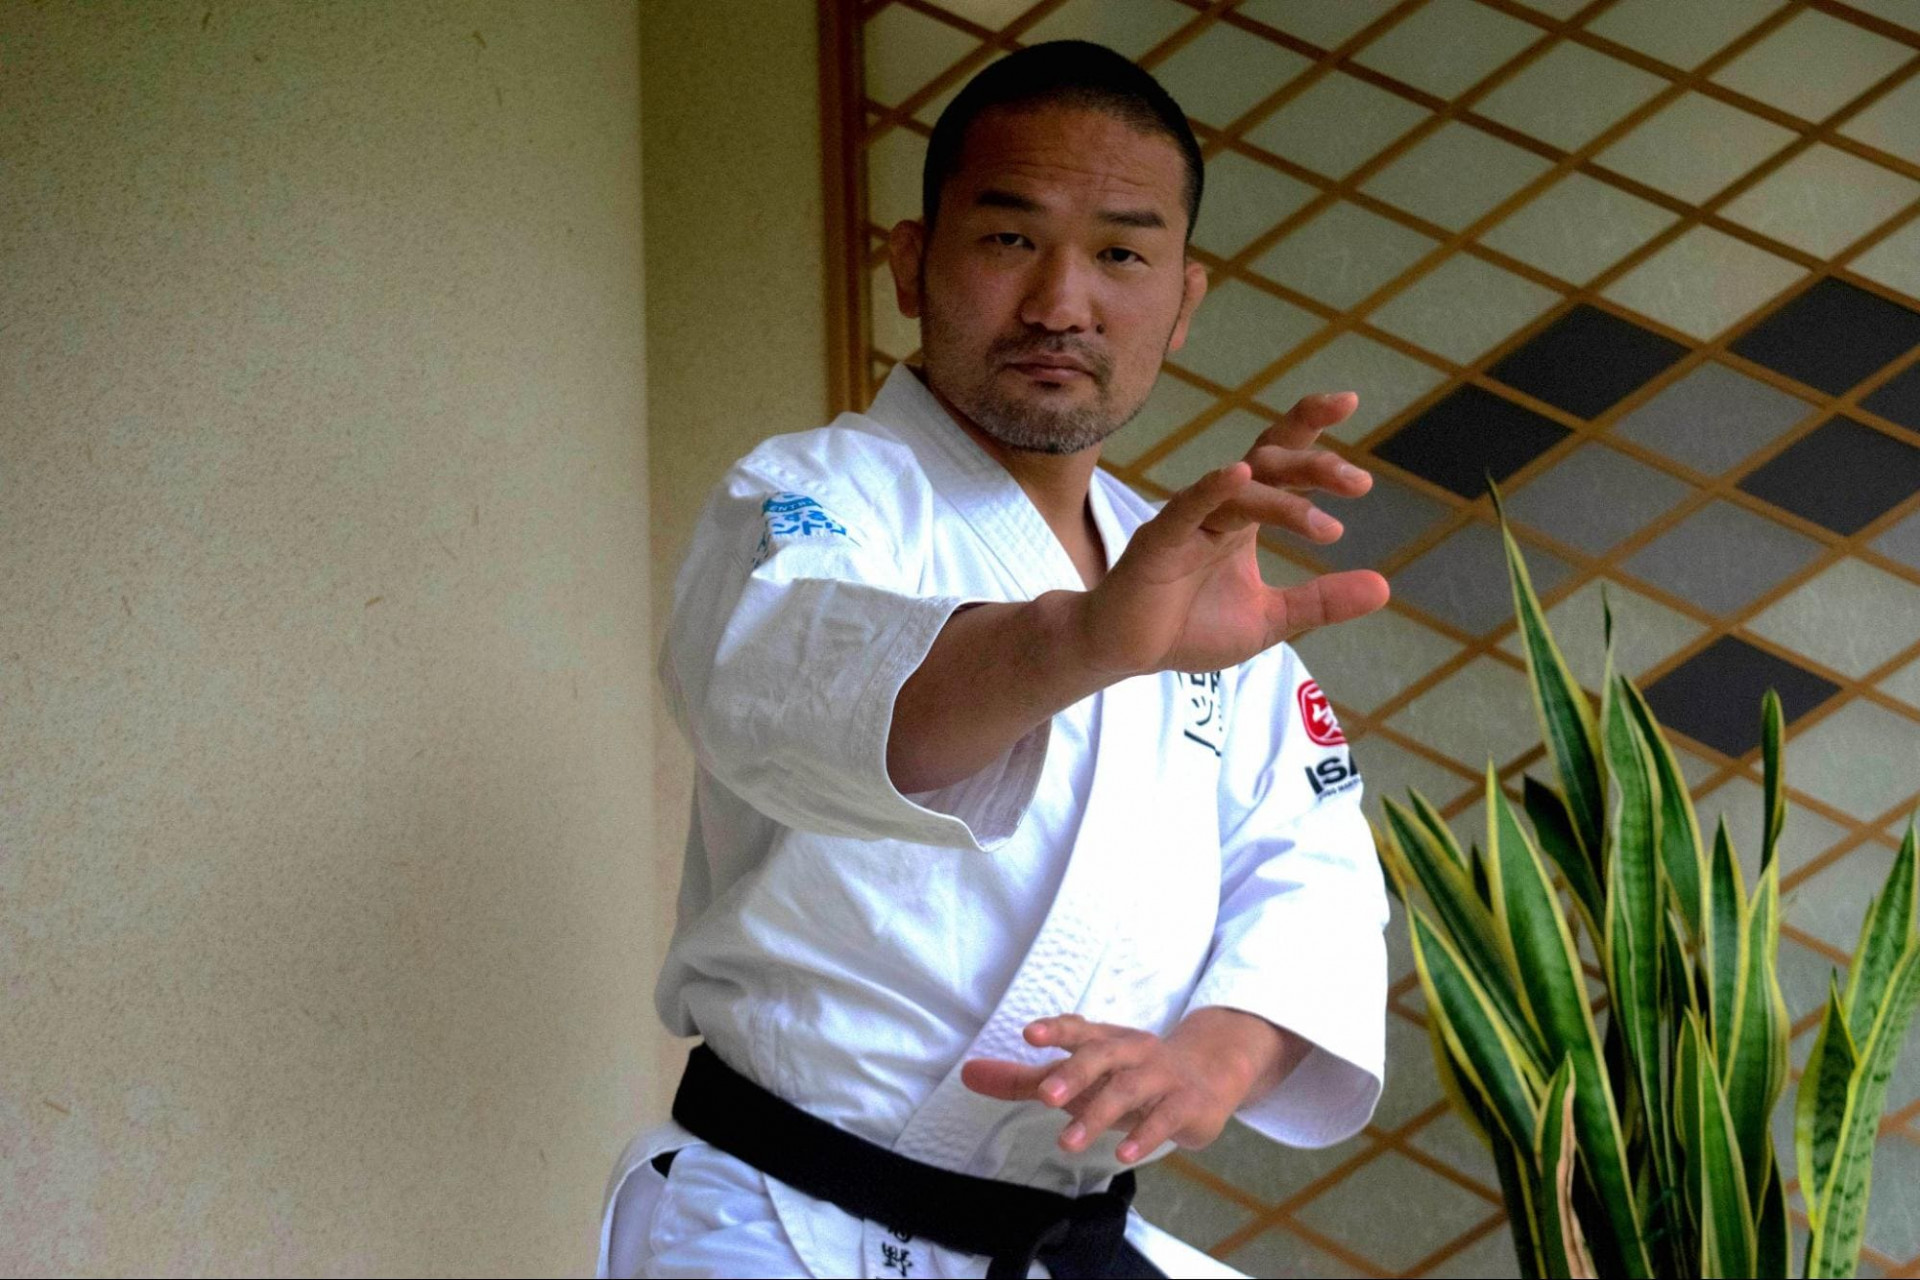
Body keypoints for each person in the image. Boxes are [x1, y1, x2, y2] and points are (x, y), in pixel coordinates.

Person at [599, 40, 1393, 1280]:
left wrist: (1217, 1056)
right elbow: (801, 701)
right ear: (912, 261)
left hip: (1064, 1233)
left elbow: (1308, 865)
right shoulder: (808, 500)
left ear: (1184, 299)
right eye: (1012, 238)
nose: (1061, 303)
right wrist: (1086, 638)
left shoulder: (1189, 568)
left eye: (1121, 254)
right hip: (785, 1223)